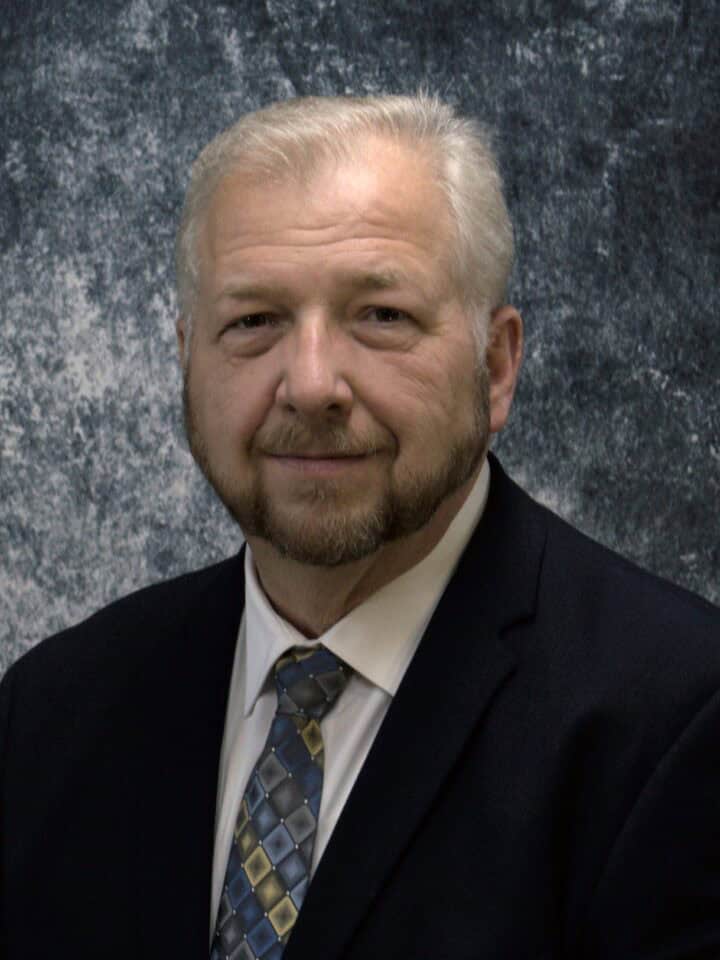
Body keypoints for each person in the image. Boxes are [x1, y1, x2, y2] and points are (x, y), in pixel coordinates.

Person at [1, 94, 719, 960]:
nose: (311, 386)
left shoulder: (679, 722)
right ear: (186, 359)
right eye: (254, 321)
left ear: (495, 367)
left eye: (382, 316)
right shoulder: (50, 713)